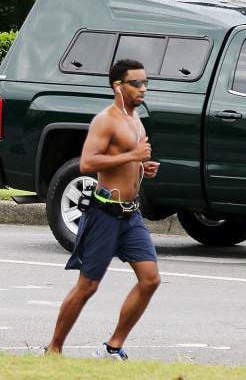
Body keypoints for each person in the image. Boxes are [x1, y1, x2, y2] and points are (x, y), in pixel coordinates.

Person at [45, 58, 161, 360]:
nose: (143, 88)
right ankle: (54, 347)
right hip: (104, 213)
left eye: (145, 82)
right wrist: (133, 154)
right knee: (88, 286)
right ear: (118, 86)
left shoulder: (135, 119)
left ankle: (113, 346)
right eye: (136, 83)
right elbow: (88, 163)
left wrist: (142, 166)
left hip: (130, 214)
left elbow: (127, 159)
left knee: (150, 279)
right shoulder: (105, 120)